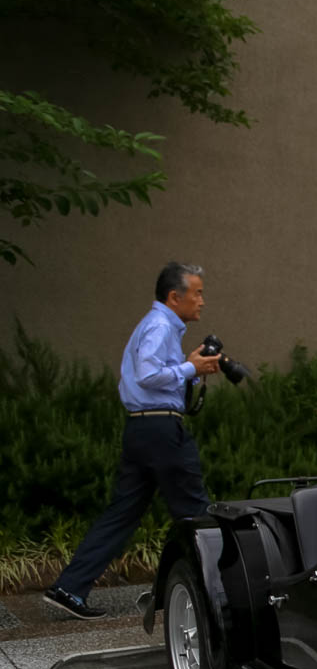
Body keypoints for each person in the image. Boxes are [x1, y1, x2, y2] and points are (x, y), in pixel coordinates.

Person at [42, 263, 222, 619]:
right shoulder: (160, 325)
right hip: (161, 430)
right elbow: (148, 374)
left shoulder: (157, 325)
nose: (202, 300)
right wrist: (190, 369)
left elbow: (153, 377)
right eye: (198, 293)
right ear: (175, 296)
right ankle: (216, 593)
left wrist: (190, 368)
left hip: (141, 429)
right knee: (194, 512)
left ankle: (69, 588)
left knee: (122, 513)